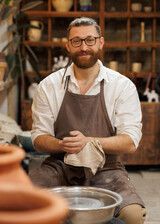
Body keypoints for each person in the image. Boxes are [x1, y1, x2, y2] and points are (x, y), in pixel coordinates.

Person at [30, 17, 146, 224]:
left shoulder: (122, 86)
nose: (84, 47)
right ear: (68, 45)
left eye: (90, 40)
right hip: (60, 164)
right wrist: (61, 144)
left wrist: (89, 142)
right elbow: (39, 138)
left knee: (133, 216)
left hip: (106, 167)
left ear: (100, 43)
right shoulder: (48, 86)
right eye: (77, 41)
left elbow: (130, 142)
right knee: (23, 201)